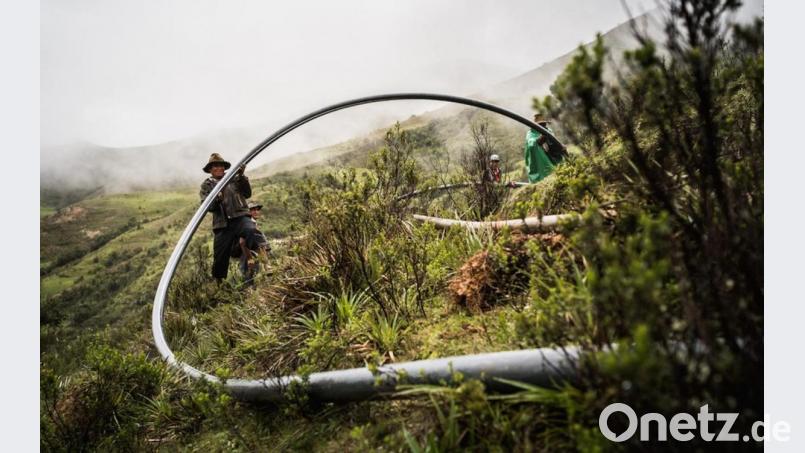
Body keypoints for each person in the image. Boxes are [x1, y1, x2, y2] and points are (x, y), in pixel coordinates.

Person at [199, 153, 254, 283]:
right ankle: (220, 284)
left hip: (240, 216)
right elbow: (208, 207)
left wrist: (241, 176)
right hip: (222, 224)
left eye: (220, 166)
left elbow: (247, 193)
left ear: (224, 168)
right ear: (210, 170)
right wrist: (217, 198)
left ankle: (254, 260)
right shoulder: (207, 185)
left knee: (250, 230)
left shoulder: (234, 178)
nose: (218, 168)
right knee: (220, 256)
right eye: (214, 166)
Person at [236, 202, 271, 287]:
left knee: (253, 277)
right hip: (247, 255)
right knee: (248, 278)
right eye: (252, 210)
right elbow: (242, 242)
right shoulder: (248, 225)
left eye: (257, 209)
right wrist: (249, 259)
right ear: (247, 212)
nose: (255, 212)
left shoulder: (253, 223)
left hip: (253, 255)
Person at [524, 113, 565, 183]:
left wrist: (560, 146)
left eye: (544, 123)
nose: (543, 125)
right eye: (541, 124)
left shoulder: (548, 130)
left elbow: (554, 142)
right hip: (540, 160)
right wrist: (538, 140)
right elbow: (531, 144)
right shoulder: (531, 133)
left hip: (551, 155)